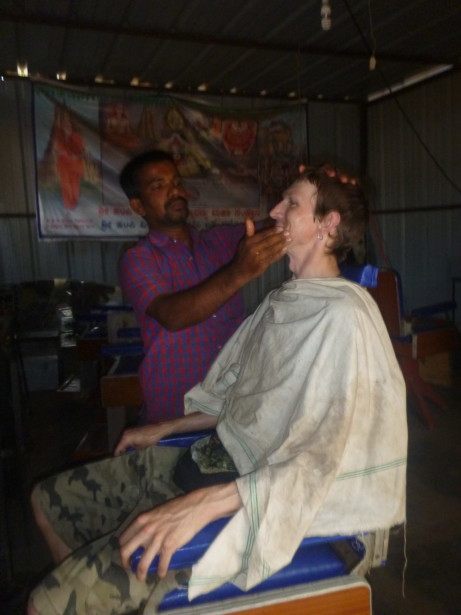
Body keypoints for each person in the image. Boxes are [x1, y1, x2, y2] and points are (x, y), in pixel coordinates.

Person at [29, 166, 407, 614]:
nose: (273, 212)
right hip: (204, 459)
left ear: (328, 225)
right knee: (46, 500)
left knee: (43, 605)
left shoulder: (344, 318)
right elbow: (245, 401)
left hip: (242, 503)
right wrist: (166, 427)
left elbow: (323, 459)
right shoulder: (282, 302)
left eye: (290, 203)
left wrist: (206, 505)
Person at [118, 150, 288, 423]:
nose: (174, 191)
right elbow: (173, 316)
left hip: (231, 404)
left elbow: (277, 225)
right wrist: (238, 272)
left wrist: (315, 189)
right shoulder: (138, 259)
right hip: (174, 410)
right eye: (158, 186)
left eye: (176, 182)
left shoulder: (219, 241)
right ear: (138, 206)